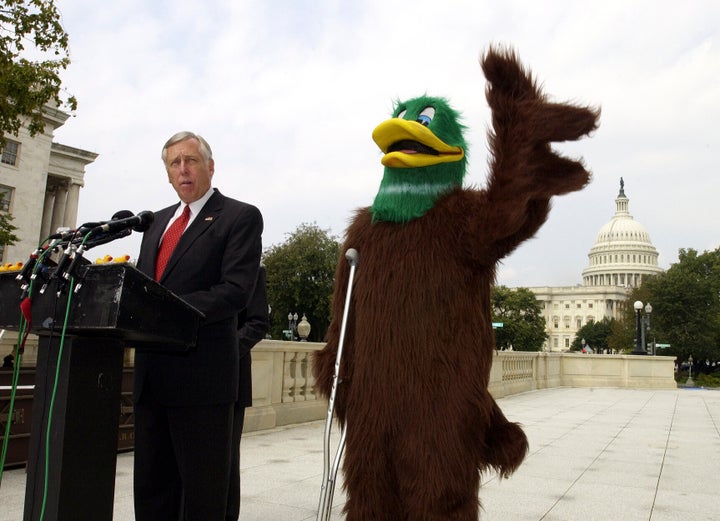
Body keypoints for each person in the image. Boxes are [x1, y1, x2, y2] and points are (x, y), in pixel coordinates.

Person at [133, 131, 263, 521]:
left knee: (204, 497)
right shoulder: (155, 223)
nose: (183, 169)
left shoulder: (239, 216)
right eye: (175, 163)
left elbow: (235, 291)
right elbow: (144, 285)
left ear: (210, 166)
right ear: (168, 174)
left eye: (191, 160)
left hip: (202, 379)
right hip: (152, 377)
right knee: (153, 492)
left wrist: (163, 309)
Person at [226, 264, 269, 521]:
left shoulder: (252, 270)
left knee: (224, 465)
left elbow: (258, 322)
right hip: (183, 378)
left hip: (229, 378)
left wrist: (220, 352)